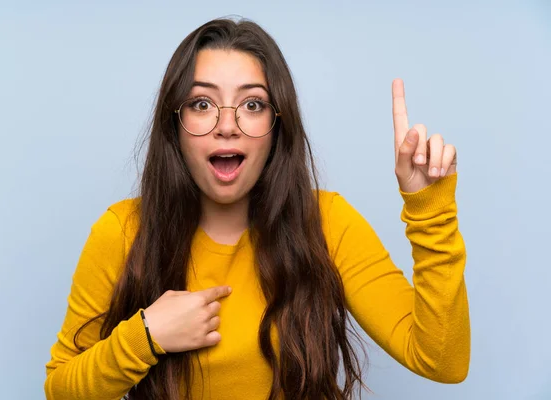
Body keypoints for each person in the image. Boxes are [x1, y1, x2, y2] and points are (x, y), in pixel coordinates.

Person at [44, 17, 469, 400]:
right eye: (202, 104)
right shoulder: (122, 231)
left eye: (252, 105)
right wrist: (145, 336)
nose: (227, 125)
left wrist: (430, 209)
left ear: (276, 125)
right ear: (174, 125)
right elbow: (60, 389)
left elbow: (442, 362)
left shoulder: (328, 222)